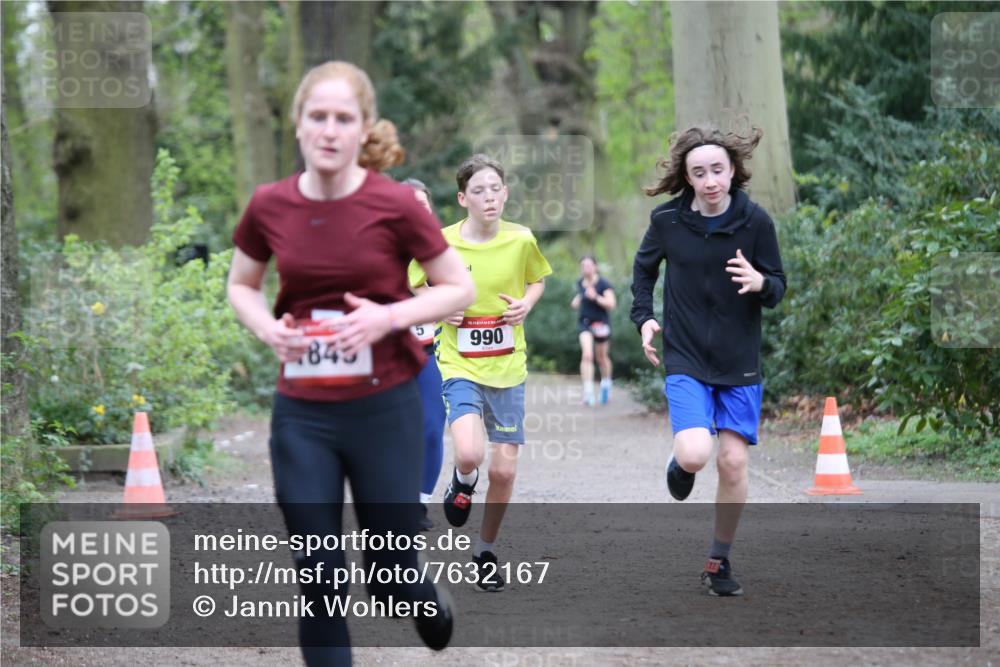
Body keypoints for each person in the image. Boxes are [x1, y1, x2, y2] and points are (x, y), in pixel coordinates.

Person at [227, 61, 475, 665]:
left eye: (344, 118)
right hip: (303, 416)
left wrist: (387, 317)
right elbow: (242, 284)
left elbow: (458, 288)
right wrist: (268, 329)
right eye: (318, 116)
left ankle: (415, 594)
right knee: (319, 577)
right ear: (299, 125)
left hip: (383, 409)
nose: (329, 130)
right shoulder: (270, 206)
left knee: (388, 574)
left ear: (363, 126)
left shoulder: (394, 206)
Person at [630, 124, 786, 597]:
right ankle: (682, 464)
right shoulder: (667, 223)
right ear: (688, 177)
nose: (711, 179)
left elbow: (778, 286)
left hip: (738, 359)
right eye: (699, 172)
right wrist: (644, 318)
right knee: (697, 454)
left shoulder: (756, 222)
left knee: (734, 463)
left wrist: (761, 283)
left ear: (734, 170)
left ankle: (718, 560)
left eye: (718, 169)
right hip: (686, 354)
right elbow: (642, 271)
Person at [409, 154, 552, 592]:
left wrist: (527, 304)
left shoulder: (522, 239)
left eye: (495, 189)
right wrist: (441, 303)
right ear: (462, 199)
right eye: (479, 191)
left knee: (505, 472)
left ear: (505, 193)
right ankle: (462, 478)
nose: (489, 197)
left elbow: (537, 280)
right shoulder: (443, 242)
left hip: (508, 365)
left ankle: (485, 552)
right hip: (458, 362)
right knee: (470, 453)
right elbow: (417, 281)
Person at [403, 177, 447, 531]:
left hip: (430, 351)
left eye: (424, 204)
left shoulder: (444, 251)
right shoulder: (378, 249)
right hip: (387, 356)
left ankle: (418, 505)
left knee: (432, 429)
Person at [571, 255, 616, 406]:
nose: (586, 268)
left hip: (601, 324)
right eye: (583, 266)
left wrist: (595, 297)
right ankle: (588, 393)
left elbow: (611, 304)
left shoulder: (603, 284)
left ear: (595, 267)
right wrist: (577, 300)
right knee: (587, 355)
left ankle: (606, 386)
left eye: (589, 265)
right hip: (585, 324)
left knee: (602, 358)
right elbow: (582, 295)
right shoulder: (580, 283)